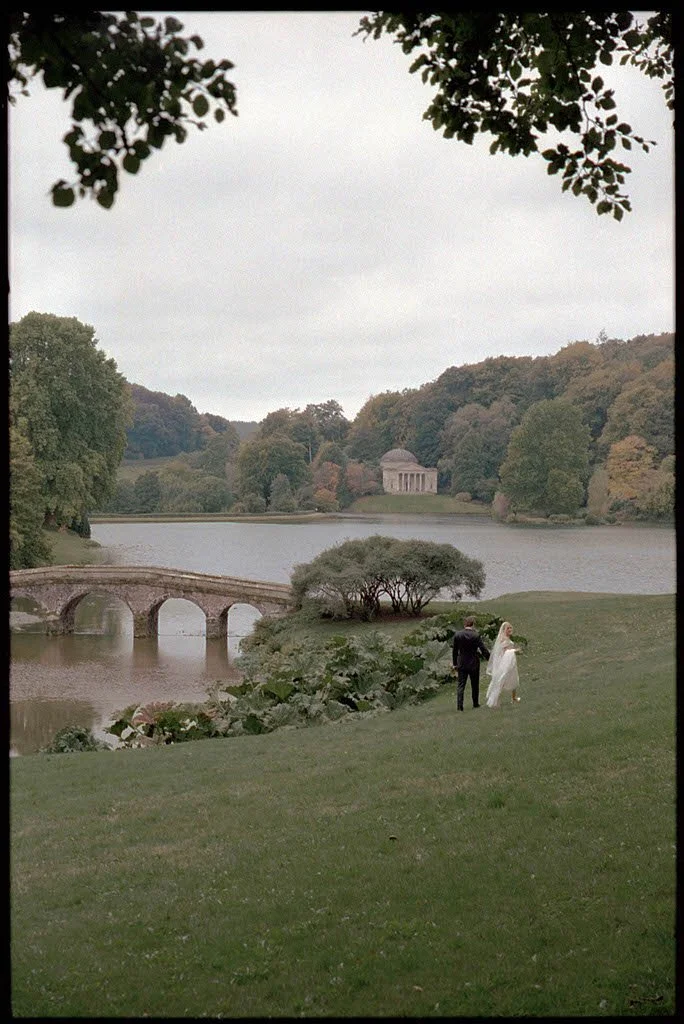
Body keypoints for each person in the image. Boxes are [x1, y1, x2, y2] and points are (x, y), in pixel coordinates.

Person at [451, 616, 490, 711]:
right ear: (473, 624)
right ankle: (475, 703)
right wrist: (490, 659)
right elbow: (483, 649)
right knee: (475, 684)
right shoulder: (476, 635)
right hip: (473, 662)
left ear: (465, 624)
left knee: (461, 685)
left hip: (462, 662)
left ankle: (460, 706)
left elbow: (455, 651)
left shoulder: (458, 635)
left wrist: (455, 663)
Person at [485, 621, 522, 709]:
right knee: (501, 680)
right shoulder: (503, 639)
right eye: (508, 628)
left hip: (510, 661)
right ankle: (494, 700)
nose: (510, 630)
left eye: (510, 628)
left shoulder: (506, 638)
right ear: (504, 630)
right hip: (505, 662)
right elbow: (505, 651)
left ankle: (514, 697)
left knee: (513, 677)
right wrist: (515, 650)